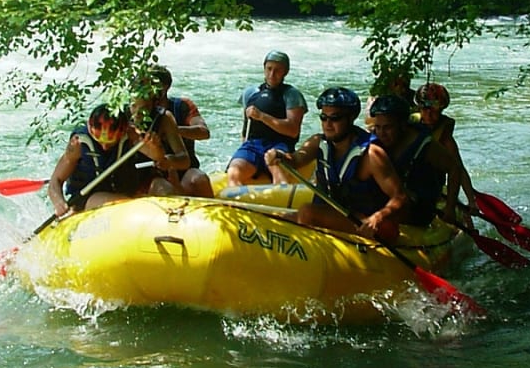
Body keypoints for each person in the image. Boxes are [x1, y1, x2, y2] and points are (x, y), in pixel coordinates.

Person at [265, 87, 405, 240]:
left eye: (335, 118)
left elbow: (400, 196)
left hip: (364, 223)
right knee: (277, 219)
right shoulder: (317, 142)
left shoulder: (371, 155)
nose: (328, 124)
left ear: (351, 118)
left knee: (307, 212)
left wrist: (378, 217)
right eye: (323, 118)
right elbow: (295, 160)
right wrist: (279, 156)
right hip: (332, 216)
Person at [367, 94, 466, 227]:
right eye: (378, 127)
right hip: (392, 201)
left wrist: (450, 208)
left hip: (420, 208)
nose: (381, 133)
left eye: (387, 127)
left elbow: (454, 169)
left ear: (403, 125)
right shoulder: (375, 142)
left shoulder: (426, 146)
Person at [49, 104, 149, 216]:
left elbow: (159, 158)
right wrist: (59, 203)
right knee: (113, 199)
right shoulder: (77, 144)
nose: (104, 147)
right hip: (88, 199)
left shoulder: (130, 134)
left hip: (123, 193)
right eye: (99, 141)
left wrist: (153, 144)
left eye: (110, 143)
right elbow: (55, 180)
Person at [226, 50, 307, 186]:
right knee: (234, 173)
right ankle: (236, 203)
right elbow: (246, 128)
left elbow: (293, 130)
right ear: (264, 68)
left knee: (277, 169)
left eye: (277, 70)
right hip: (253, 145)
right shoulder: (250, 93)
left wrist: (262, 116)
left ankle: (281, 194)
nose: (272, 74)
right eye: (269, 69)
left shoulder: (292, 95)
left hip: (279, 145)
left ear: (285, 72)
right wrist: (243, 147)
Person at [146, 65, 214, 197]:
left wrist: (172, 130)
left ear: (165, 87)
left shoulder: (182, 106)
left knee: (199, 178)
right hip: (153, 174)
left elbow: (203, 132)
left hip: (184, 170)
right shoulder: (139, 111)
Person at [415, 82, 478, 216]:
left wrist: (471, 200)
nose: (429, 115)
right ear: (419, 108)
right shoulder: (408, 125)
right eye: (425, 109)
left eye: (435, 110)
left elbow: (458, 168)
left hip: (433, 186)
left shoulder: (445, 137)